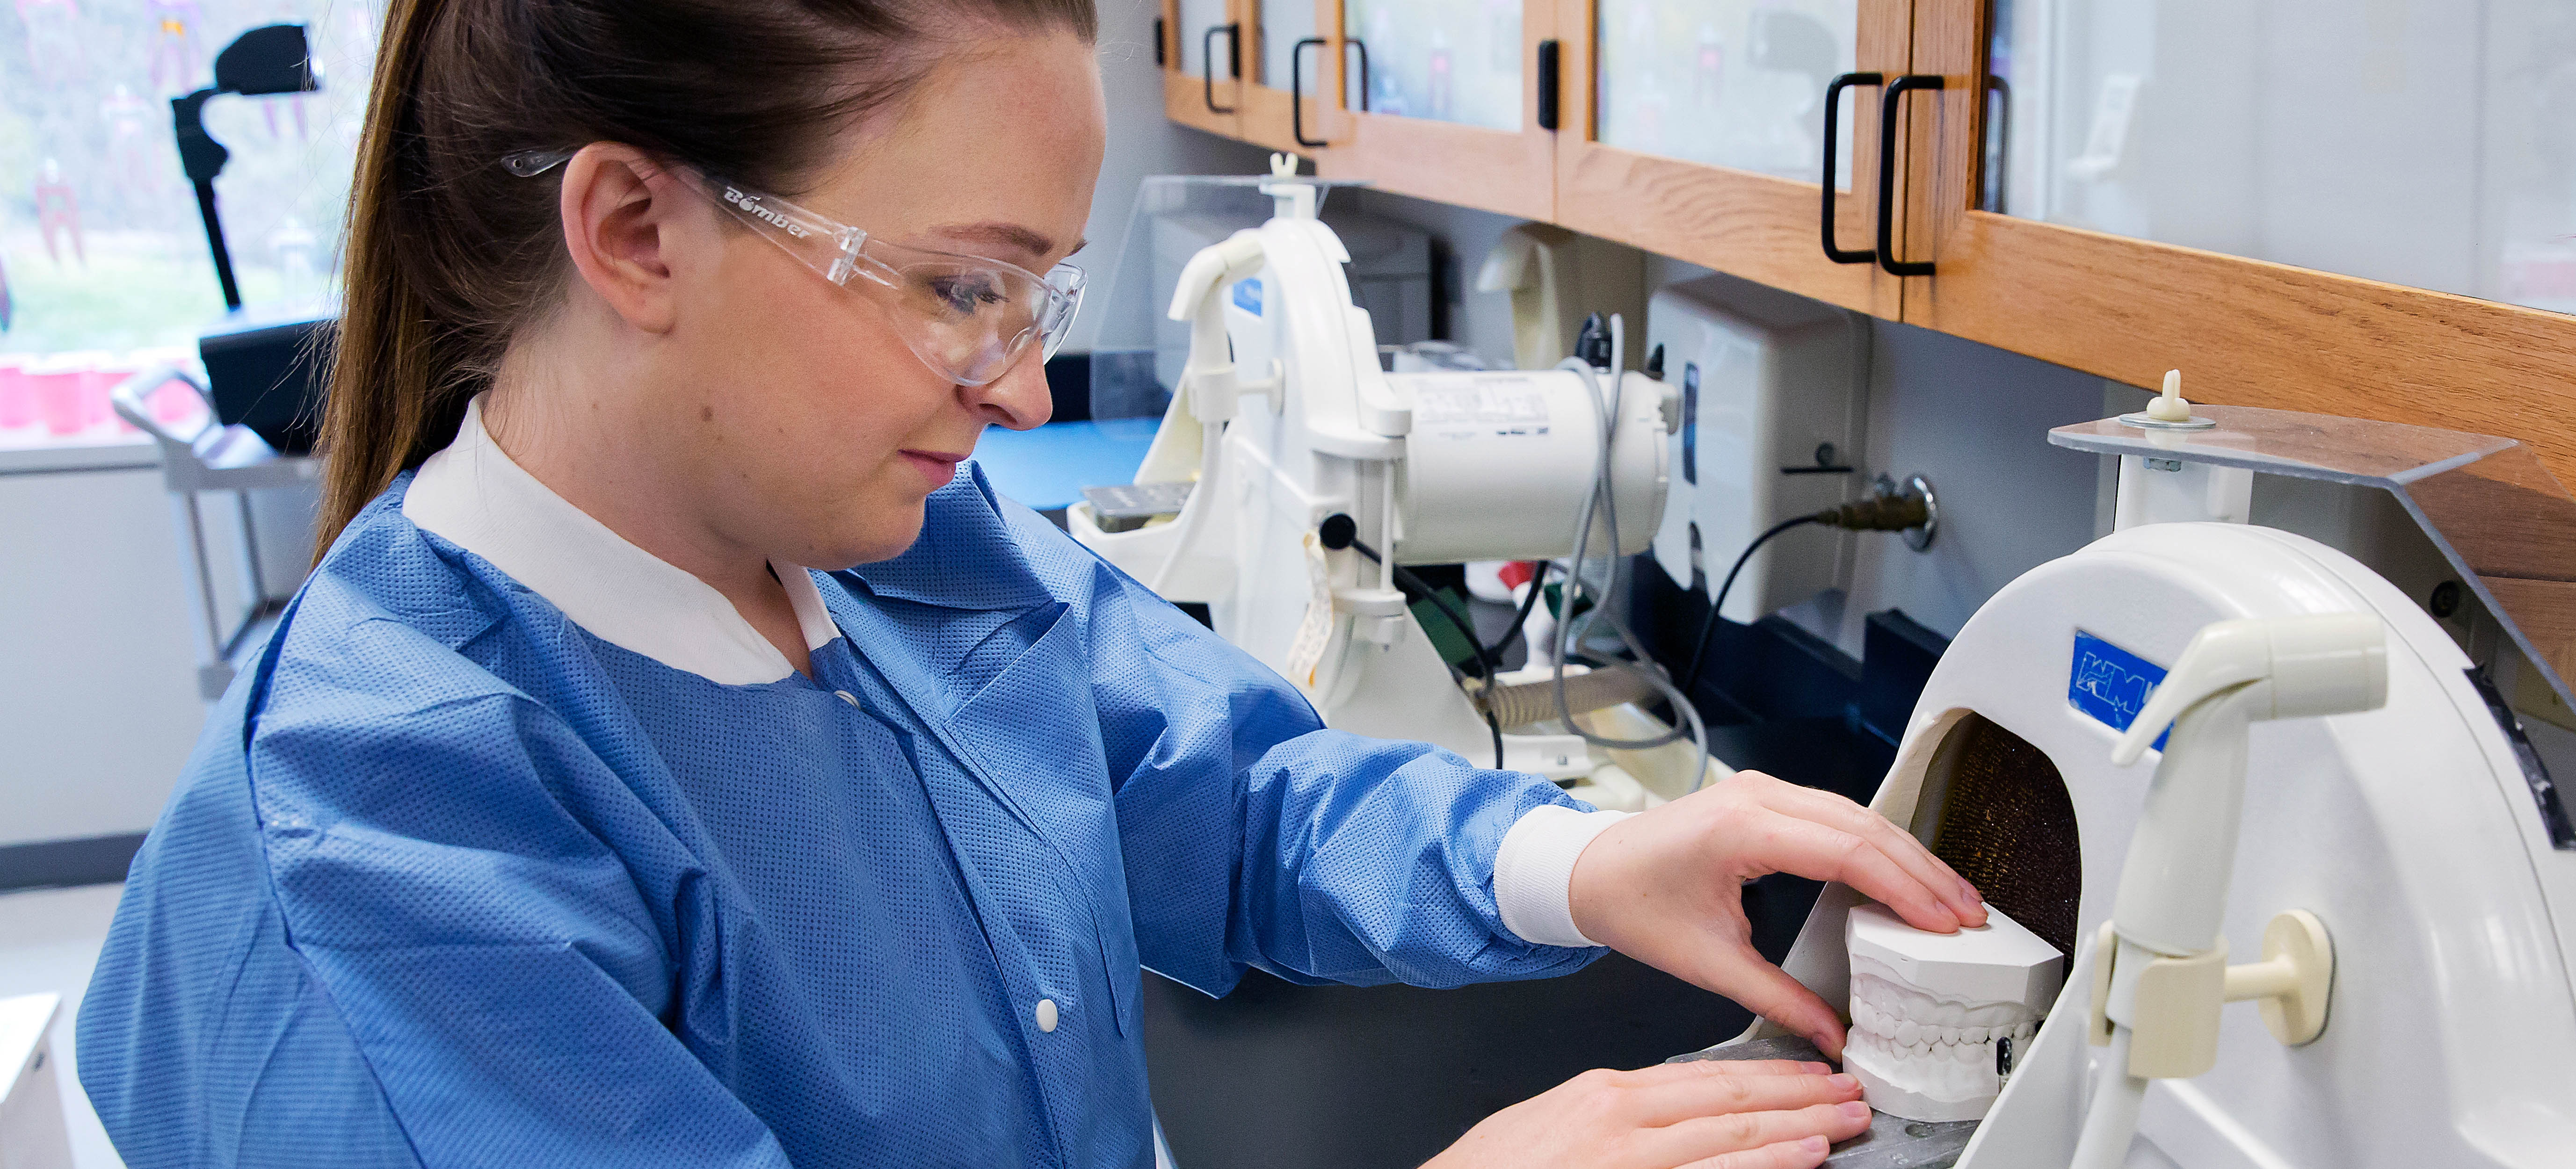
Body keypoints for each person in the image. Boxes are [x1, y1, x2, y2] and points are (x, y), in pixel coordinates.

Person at [74, 1, 1988, 1166]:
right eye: (957, 285)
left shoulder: (873, 544)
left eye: (1040, 294)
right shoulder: (387, 848)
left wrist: (1578, 861)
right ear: (634, 227)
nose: (1014, 386)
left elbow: (1212, 783)